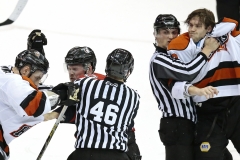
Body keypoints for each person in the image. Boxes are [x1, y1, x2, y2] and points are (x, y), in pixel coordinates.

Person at [45, 46, 142, 160]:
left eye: (75, 69)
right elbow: (127, 127)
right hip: (116, 155)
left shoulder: (85, 84)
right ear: (128, 72)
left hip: (84, 153)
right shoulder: (134, 96)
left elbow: (61, 94)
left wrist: (51, 113)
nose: (71, 73)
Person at [168, 8, 240, 160]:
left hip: (236, 105)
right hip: (208, 111)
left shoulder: (229, 37)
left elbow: (230, 24)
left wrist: (214, 33)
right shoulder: (182, 47)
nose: (192, 29)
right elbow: (175, 88)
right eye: (190, 25)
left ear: (208, 28)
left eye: (197, 26)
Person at [149, 14, 220, 160]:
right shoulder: (159, 59)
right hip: (176, 124)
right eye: (165, 32)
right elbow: (188, 72)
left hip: (189, 123)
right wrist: (206, 50)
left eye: (174, 32)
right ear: (155, 34)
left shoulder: (175, 56)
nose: (170, 36)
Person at [0, 49, 61, 160]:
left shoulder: (7, 72)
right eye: (37, 78)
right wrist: (63, 95)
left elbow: (34, 90)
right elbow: (35, 105)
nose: (37, 84)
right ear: (26, 70)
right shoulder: (12, 82)